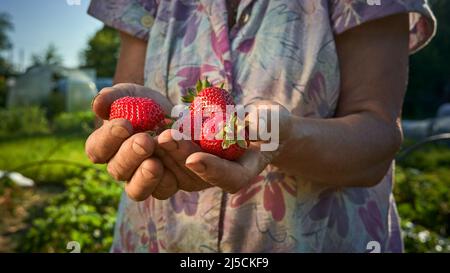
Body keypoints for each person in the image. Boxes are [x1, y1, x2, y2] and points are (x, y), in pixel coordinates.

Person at [85, 0, 436, 252]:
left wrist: (283, 138)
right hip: (156, 239)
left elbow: (376, 136)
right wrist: (121, 133)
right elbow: (120, 111)